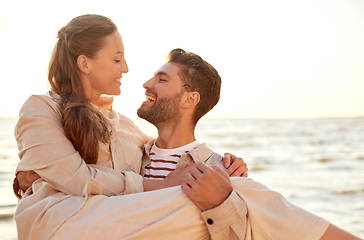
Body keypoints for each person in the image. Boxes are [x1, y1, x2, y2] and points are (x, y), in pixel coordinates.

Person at [13, 14, 360, 240]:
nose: (133, 72)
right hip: (60, 225)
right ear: (84, 63)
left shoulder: (132, 132)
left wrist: (222, 179)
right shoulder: (42, 107)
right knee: (229, 193)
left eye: (161, 79)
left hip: (114, 225)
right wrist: (33, 174)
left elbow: (166, 151)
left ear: (189, 99)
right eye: (117, 58)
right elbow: (72, 176)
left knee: (228, 190)